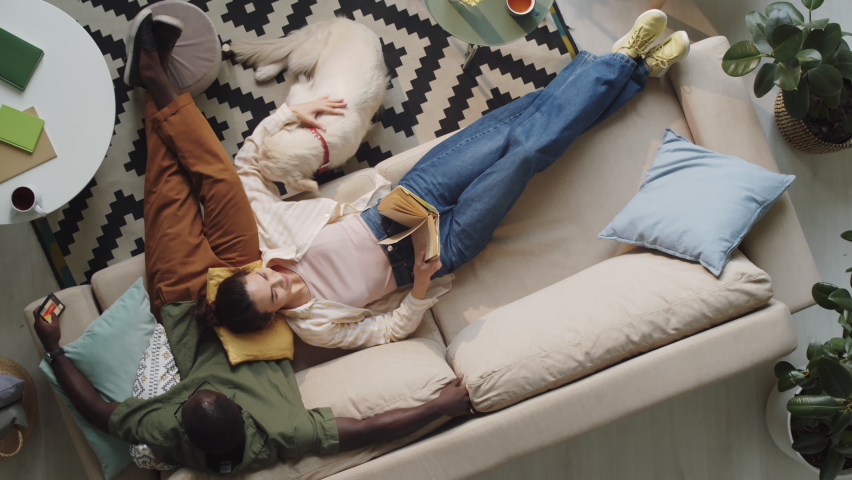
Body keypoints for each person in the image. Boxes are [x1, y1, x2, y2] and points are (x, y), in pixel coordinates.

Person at [32, 8, 472, 475]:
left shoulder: (165, 429)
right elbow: (364, 430)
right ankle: (156, 80)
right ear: (239, 412)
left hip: (183, 299)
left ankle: (157, 82)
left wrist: (53, 348)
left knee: (173, 186)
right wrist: (436, 406)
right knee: (215, 176)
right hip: (249, 276)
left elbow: (99, 412)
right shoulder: (279, 432)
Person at [205, 10, 690, 349]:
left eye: (263, 276)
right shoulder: (315, 327)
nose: (278, 280)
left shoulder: (269, 239)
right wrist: (418, 288)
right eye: (273, 294)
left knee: (516, 121)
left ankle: (632, 68)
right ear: (272, 316)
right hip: (442, 249)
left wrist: (292, 110)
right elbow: (386, 332)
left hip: (409, 200)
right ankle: (623, 64)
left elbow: (245, 165)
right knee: (525, 151)